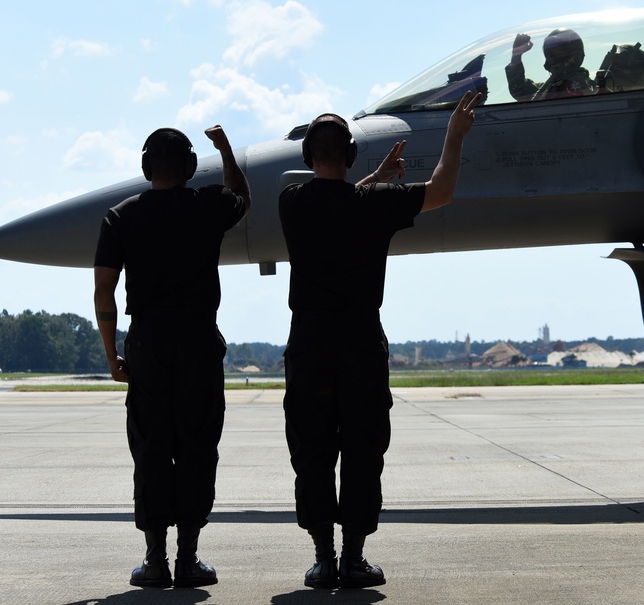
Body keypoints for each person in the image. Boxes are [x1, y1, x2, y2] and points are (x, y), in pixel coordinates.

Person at [279, 90, 481, 590]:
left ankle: (322, 560)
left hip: (308, 341)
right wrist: (454, 136)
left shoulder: (291, 202)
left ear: (308, 157)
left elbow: (334, 202)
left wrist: (372, 183)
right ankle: (353, 559)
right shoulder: (374, 206)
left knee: (313, 448)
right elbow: (442, 189)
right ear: (350, 156)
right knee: (363, 448)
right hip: (359, 341)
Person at [94, 125, 251, 589]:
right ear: (188, 167)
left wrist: (111, 354)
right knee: (198, 446)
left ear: (145, 167)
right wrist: (224, 149)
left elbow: (104, 291)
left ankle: (155, 560)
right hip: (198, 340)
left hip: (147, 343)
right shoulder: (208, 205)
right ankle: (188, 559)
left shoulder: (119, 217)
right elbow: (239, 194)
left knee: (151, 449)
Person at [505, 28, 595, 101]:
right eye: (550, 54)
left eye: (558, 53)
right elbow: (519, 91)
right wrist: (516, 56)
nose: (552, 59)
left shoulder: (593, 87)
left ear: (573, 55)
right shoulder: (547, 89)